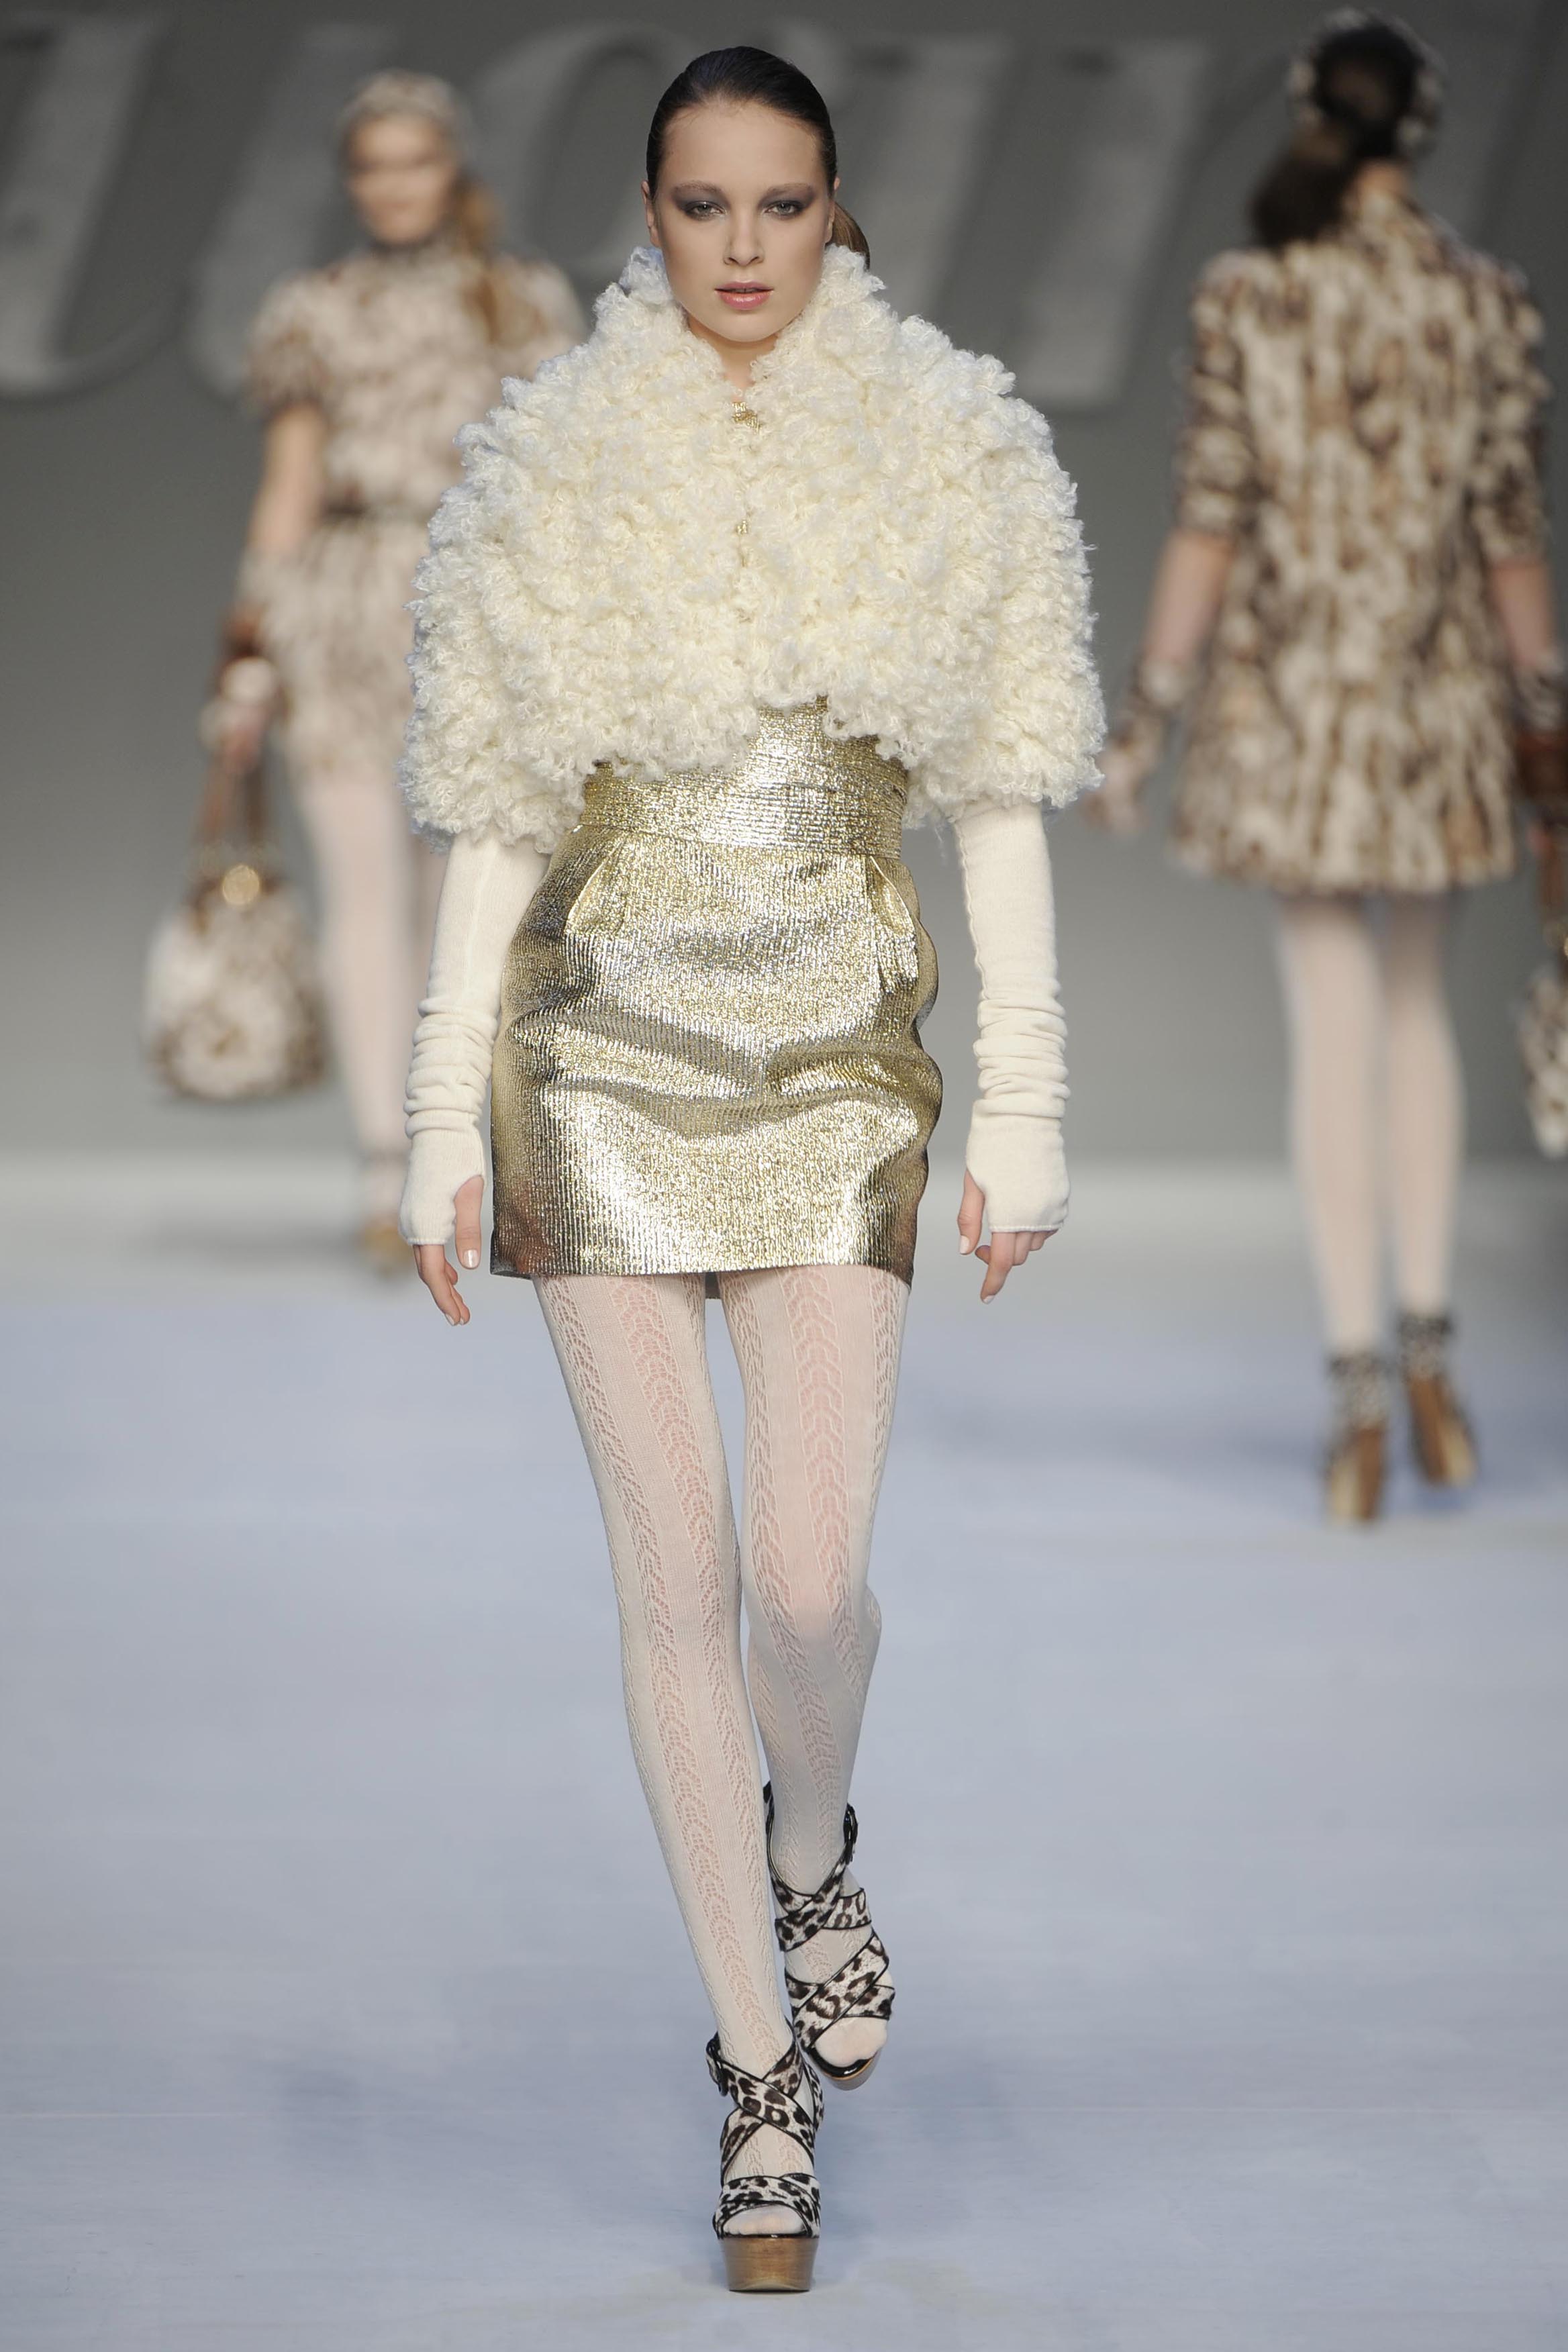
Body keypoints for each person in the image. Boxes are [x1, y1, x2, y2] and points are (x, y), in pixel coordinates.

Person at [395, 47, 1100, 2290]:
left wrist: (1024, 1103)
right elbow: (491, 799)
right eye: (700, 204)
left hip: (833, 1069)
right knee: (673, 1580)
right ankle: (754, 2071)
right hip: (592, 1062)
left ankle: (814, 1852)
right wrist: (436, 1115)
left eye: (778, 203)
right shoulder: (555, 457)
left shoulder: (952, 450)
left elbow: (1004, 788)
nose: (737, 246)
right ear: (649, 210)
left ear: (835, 207)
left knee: (806, 1587)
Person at [1093, 11, 1561, 1522]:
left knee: (1333, 1025)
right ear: (1420, 131)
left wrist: (1145, 721)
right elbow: (1510, 539)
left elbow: (1209, 519)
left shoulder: (1251, 296)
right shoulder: (1486, 304)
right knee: (1417, 1013)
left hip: (1292, 711)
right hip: (1434, 710)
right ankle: (1431, 1362)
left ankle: (1356, 1388)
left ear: (1308, 117)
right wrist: (1547, 716)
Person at [203, 72, 584, 1267]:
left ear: (453, 166)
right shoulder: (310, 310)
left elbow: (561, 485)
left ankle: (453, 1153)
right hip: (344, 605)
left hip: (479, 605)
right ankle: (385, 1168)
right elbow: (289, 485)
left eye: (414, 161)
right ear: (351, 181)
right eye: (372, 166)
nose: (394, 186)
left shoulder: (523, 301)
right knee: (366, 892)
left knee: (472, 901)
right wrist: (249, 653)